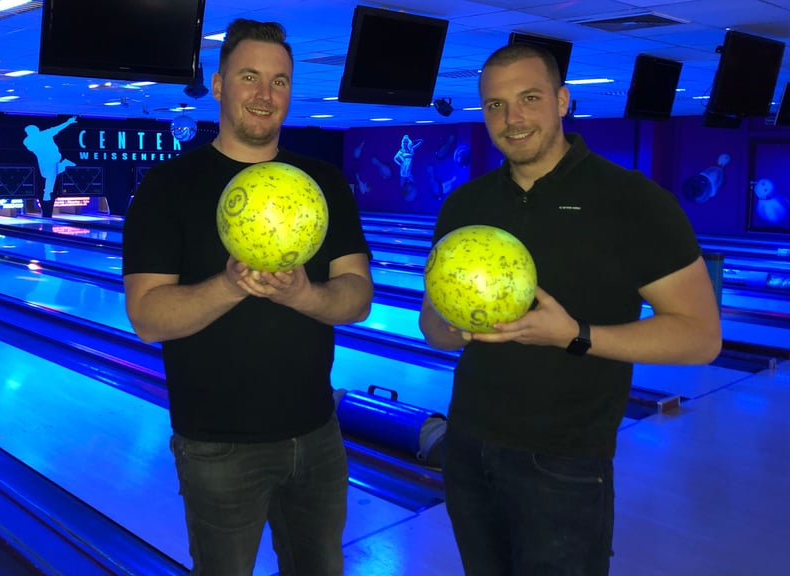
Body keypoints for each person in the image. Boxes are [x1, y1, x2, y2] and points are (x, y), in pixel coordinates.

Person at [419, 43, 722, 575]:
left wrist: (575, 335)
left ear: (562, 101)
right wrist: (451, 327)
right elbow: (430, 325)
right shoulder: (465, 205)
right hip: (467, 446)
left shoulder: (632, 201)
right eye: (494, 105)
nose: (512, 119)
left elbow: (700, 336)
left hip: (564, 461)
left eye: (529, 98)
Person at [122, 18, 373, 576]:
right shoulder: (167, 188)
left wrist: (303, 295)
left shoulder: (323, 183)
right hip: (217, 448)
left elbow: (357, 298)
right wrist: (232, 283)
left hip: (318, 435)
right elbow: (147, 317)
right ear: (218, 85)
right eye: (250, 77)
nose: (265, 95)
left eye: (279, 81)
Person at [22, 115, 77, 201]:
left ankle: (47, 193)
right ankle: (64, 164)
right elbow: (33, 149)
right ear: (28, 133)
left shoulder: (45, 134)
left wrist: (68, 122)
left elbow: (58, 128)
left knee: (50, 175)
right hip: (43, 160)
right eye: (29, 132)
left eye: (32, 131)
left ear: (37, 130)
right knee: (45, 175)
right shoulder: (27, 140)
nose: (30, 133)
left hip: (53, 156)